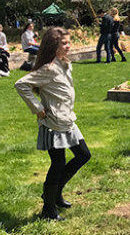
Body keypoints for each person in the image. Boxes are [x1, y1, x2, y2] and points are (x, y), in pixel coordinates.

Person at [15, 27, 91, 220]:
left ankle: (55, 193)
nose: (68, 45)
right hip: (53, 123)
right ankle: (48, 210)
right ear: (53, 46)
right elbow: (21, 84)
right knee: (58, 164)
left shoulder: (63, 63)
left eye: (68, 42)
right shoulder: (47, 68)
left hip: (67, 120)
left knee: (83, 155)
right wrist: (38, 108)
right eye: (63, 43)